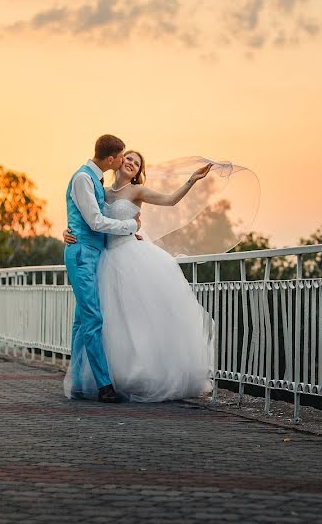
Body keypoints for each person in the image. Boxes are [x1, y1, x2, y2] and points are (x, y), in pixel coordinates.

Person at [63, 151, 214, 402]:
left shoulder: (138, 191)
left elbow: (170, 201)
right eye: (129, 158)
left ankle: (147, 373)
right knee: (113, 321)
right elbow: (89, 217)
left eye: (137, 162)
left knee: (140, 316)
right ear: (118, 161)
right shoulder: (102, 191)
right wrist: (68, 231)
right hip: (105, 259)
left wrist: (191, 180)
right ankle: (116, 375)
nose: (132, 163)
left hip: (131, 256)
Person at [63, 134, 141, 403]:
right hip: (83, 255)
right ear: (111, 159)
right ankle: (104, 386)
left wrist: (130, 235)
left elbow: (85, 218)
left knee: (81, 321)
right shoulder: (84, 178)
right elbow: (95, 221)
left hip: (91, 254)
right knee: (93, 318)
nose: (123, 160)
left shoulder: (95, 180)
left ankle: (75, 382)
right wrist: (130, 227)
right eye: (121, 156)